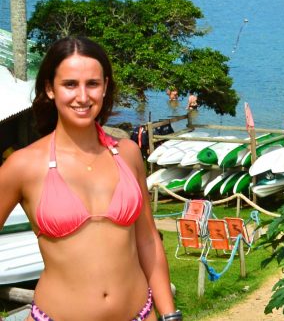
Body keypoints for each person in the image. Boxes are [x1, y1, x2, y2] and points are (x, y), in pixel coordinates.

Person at [0, 37, 178, 321]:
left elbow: (148, 241)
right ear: (49, 88)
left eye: (92, 84)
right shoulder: (23, 165)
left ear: (105, 87)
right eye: (70, 84)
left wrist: (170, 315)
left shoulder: (128, 154)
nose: (82, 97)